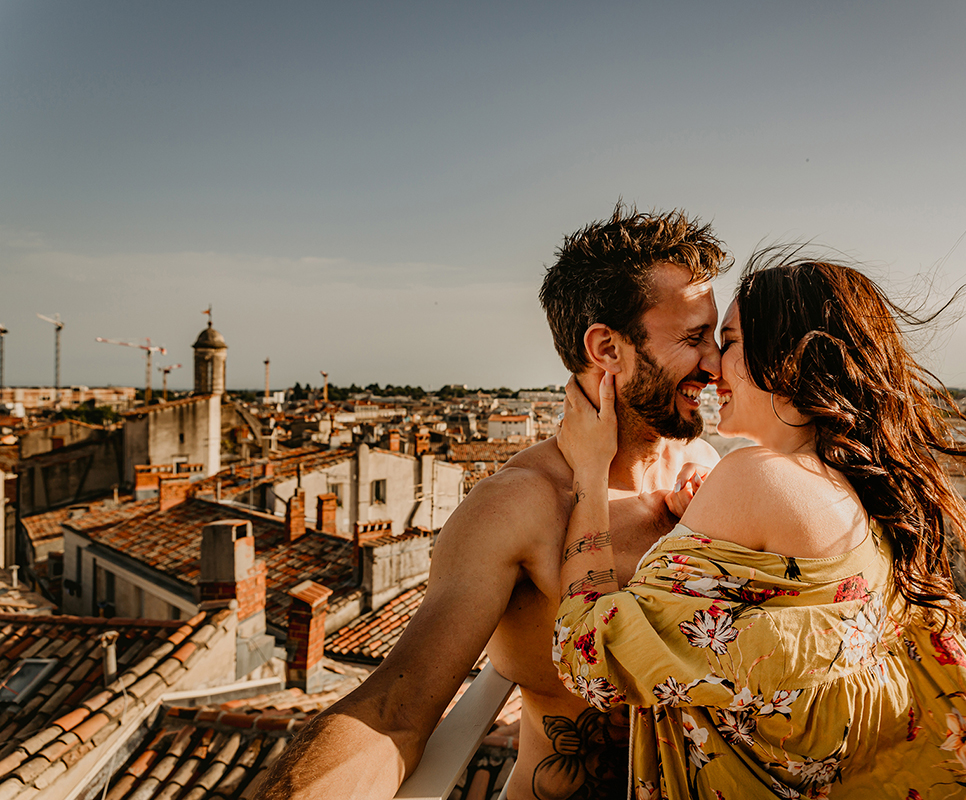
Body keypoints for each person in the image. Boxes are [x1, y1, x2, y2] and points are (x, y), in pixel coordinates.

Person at [258, 205, 730, 800]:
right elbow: (396, 707)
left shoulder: (706, 469)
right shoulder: (517, 506)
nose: (715, 364)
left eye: (712, 336)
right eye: (693, 338)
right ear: (607, 348)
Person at [554, 250, 966, 799]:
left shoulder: (754, 475)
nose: (711, 366)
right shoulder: (858, 479)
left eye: (728, 343)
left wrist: (588, 471)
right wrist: (696, 540)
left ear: (790, 359)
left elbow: (588, 653)